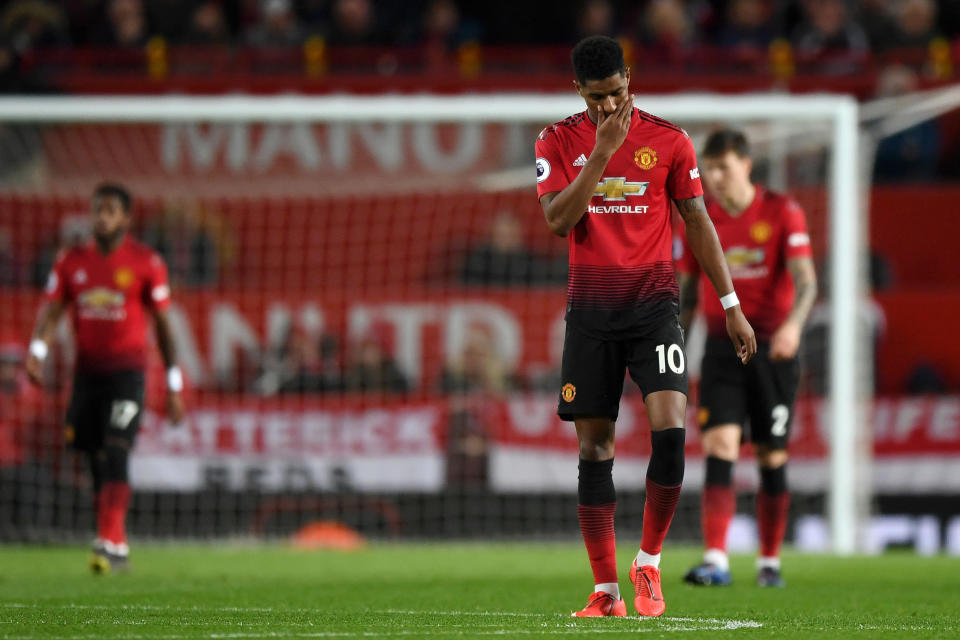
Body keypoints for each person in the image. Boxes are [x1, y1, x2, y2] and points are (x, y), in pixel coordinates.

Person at [535, 36, 756, 618]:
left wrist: (730, 302)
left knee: (671, 430)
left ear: (628, 79)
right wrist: (603, 154)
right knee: (595, 447)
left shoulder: (671, 140)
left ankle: (649, 564)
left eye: (616, 93)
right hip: (591, 315)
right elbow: (558, 220)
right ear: (577, 90)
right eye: (597, 97)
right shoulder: (555, 141)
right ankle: (606, 592)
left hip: (655, 308)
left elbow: (698, 220)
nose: (609, 107)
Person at [676, 129, 817, 588]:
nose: (715, 177)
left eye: (724, 167)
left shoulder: (782, 210)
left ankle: (769, 561)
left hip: (773, 349)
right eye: (709, 168)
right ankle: (716, 558)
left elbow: (807, 280)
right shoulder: (700, 218)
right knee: (719, 446)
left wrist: (794, 326)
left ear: (746, 164)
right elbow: (688, 292)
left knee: (771, 454)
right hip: (721, 349)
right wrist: (673, 339)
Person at [25, 182, 184, 574]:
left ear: (126, 218)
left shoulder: (147, 262)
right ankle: (115, 543)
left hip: (128, 375)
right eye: (98, 209)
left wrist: (174, 383)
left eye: (111, 210)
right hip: (87, 376)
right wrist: (38, 352)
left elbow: (164, 327)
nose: (102, 216)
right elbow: (52, 311)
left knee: (117, 448)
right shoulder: (70, 261)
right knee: (94, 457)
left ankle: (109, 538)